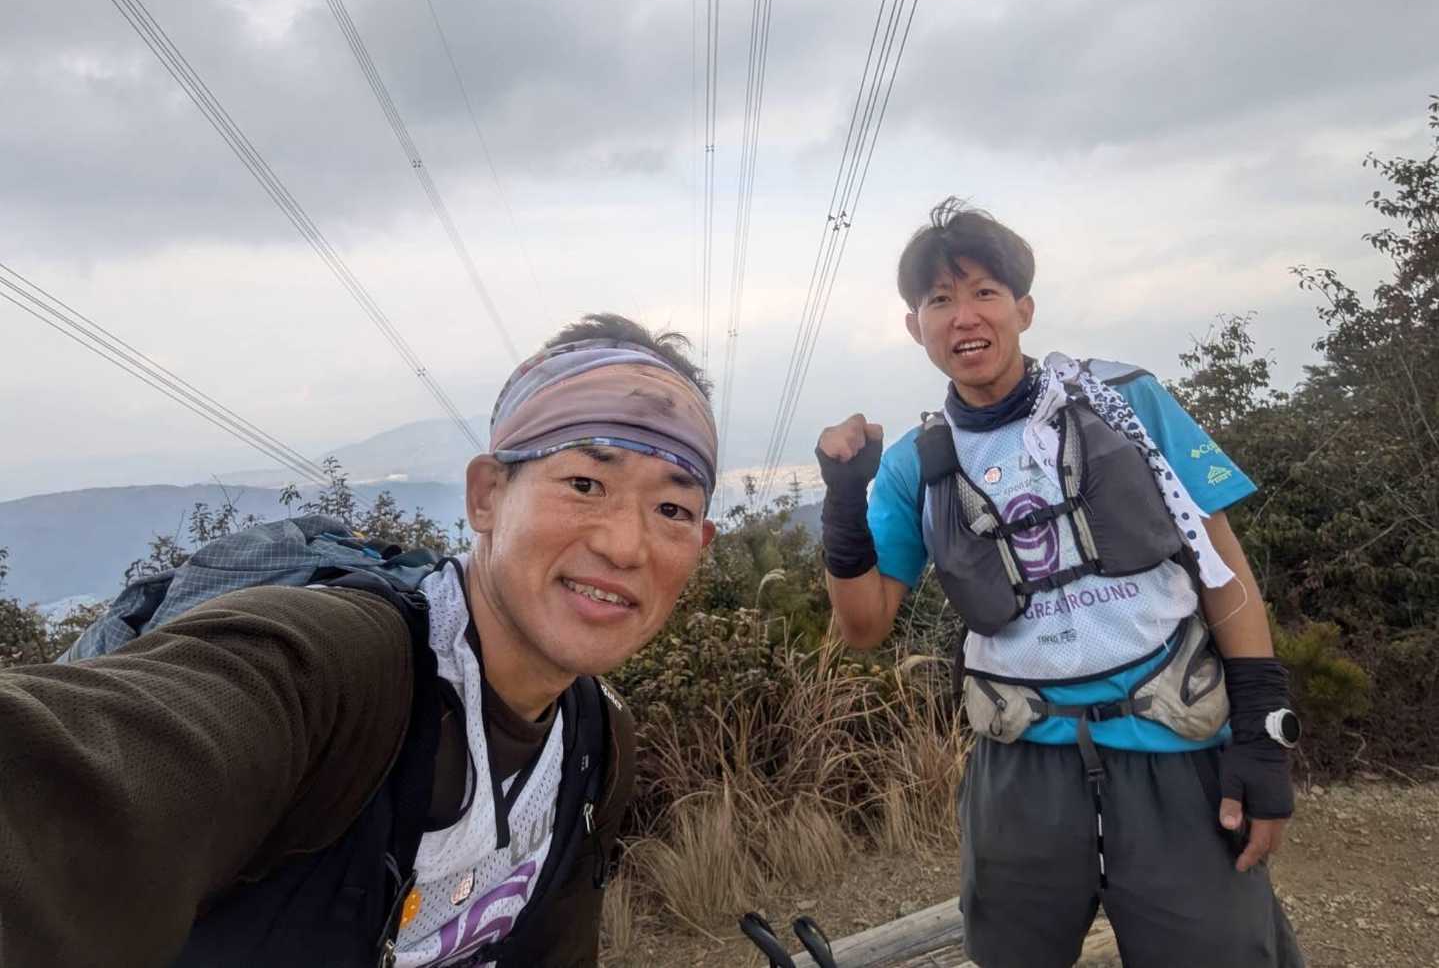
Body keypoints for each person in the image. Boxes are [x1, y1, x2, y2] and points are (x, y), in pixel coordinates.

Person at [0, 313, 718, 968]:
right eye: (585, 483)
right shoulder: (335, 668)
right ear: (487, 496)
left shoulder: (596, 739)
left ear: (701, 543)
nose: (626, 545)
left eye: (671, 507)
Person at [815, 200, 1305, 968]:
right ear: (914, 326)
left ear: (1023, 307)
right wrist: (843, 503)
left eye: (983, 291)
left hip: (1174, 741)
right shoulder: (916, 462)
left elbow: (1222, 565)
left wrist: (1263, 733)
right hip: (1020, 764)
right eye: (938, 299)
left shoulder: (1123, 398)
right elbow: (863, 624)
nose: (963, 316)